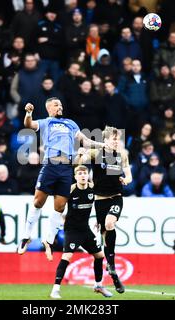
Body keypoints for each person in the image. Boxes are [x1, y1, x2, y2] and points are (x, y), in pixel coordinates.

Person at [17, 98, 107, 259]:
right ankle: (26, 236)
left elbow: (85, 141)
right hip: (50, 166)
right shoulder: (47, 122)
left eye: (61, 104)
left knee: (60, 207)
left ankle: (49, 241)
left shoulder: (71, 123)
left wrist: (102, 145)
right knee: (38, 202)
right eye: (56, 105)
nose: (60, 107)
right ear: (49, 108)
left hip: (66, 169)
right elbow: (28, 125)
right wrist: (29, 113)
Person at [77, 126, 132, 294]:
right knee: (105, 236)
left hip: (116, 197)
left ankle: (112, 265)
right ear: (106, 140)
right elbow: (80, 164)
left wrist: (126, 179)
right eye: (114, 139)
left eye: (118, 139)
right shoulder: (96, 153)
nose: (116, 142)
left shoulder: (122, 155)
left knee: (110, 223)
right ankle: (113, 273)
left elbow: (129, 174)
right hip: (99, 201)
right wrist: (81, 155)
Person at [50, 165, 112, 299]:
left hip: (85, 229)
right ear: (76, 176)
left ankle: (98, 285)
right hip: (72, 230)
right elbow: (59, 205)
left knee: (100, 256)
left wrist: (100, 219)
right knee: (67, 256)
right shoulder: (70, 189)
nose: (83, 175)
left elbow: (101, 203)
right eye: (80, 173)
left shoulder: (93, 188)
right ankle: (55, 290)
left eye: (85, 173)